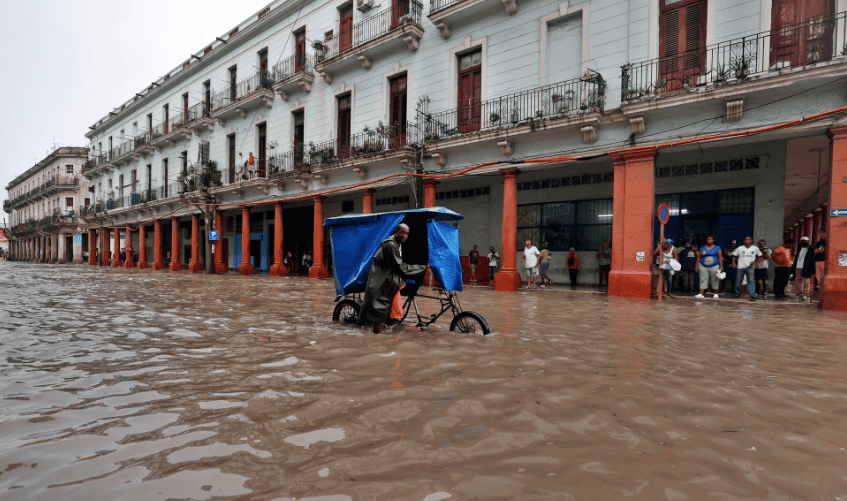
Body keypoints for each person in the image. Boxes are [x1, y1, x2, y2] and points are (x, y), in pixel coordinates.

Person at [358, 224, 427, 334]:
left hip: (392, 281)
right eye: (402, 233)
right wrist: (423, 268)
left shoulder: (398, 244)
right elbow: (401, 267)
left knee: (396, 313)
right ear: (396, 232)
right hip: (382, 282)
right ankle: (376, 336)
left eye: (407, 234)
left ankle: (384, 328)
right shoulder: (390, 245)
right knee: (381, 311)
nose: (405, 236)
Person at [732, 235, 763, 301]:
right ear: (744, 241)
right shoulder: (740, 248)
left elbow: (760, 256)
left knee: (751, 281)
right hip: (740, 267)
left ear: (751, 241)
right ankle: (737, 294)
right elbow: (733, 255)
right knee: (738, 281)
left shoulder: (755, 248)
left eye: (749, 239)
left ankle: (752, 295)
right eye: (746, 239)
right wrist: (734, 263)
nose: (747, 241)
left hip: (750, 267)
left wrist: (755, 262)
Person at [792, 236, 815, 302]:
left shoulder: (811, 249)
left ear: (808, 241)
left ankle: (806, 295)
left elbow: (812, 259)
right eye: (802, 241)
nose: (803, 242)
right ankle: (799, 294)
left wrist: (812, 269)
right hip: (798, 266)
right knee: (798, 281)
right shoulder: (799, 248)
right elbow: (797, 257)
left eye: (805, 241)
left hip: (806, 267)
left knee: (806, 281)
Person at [813, 233, 826, 301]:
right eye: (820, 234)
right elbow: (815, 251)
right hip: (817, 261)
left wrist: (820, 251)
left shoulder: (827, 242)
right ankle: (819, 285)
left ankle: (822, 286)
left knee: (823, 274)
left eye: (823, 234)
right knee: (818, 275)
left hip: (824, 261)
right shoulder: (819, 243)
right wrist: (819, 251)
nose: (821, 236)